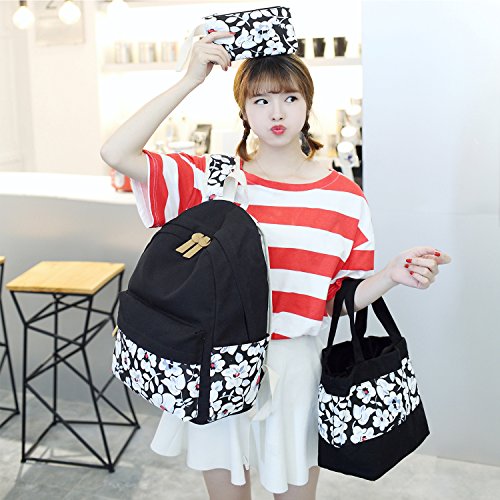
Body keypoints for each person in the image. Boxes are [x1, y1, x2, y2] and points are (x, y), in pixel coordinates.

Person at [101, 30, 451, 500]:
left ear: (308, 105)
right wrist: (189, 79)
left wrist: (390, 276)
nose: (277, 113)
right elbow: (116, 153)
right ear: (244, 111)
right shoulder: (215, 181)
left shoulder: (344, 199)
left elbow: (336, 302)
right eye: (261, 101)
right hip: (218, 364)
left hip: (296, 371)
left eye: (289, 98)